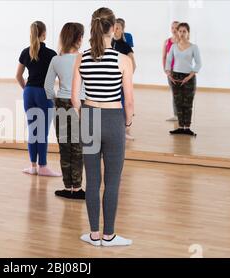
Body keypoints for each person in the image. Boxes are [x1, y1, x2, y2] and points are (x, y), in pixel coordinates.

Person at [71, 7, 134, 247]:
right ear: (113, 27)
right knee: (113, 180)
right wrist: (127, 122)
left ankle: (94, 234)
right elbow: (128, 100)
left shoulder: (82, 57)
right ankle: (109, 236)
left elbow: (75, 99)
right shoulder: (123, 60)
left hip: (89, 116)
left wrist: (85, 114)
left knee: (93, 180)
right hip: (113, 118)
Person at [44, 22, 86, 199]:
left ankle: (68, 187)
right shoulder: (83, 58)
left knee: (64, 147)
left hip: (61, 103)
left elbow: (47, 87)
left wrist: (57, 101)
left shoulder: (56, 59)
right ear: (78, 38)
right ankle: (77, 188)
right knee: (77, 147)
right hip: (79, 104)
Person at [16, 21, 61, 177]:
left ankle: (33, 166)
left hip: (29, 93)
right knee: (42, 133)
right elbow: (59, 77)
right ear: (44, 34)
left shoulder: (25, 52)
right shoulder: (51, 54)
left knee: (33, 131)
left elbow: (18, 76)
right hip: (44, 94)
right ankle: (43, 166)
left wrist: (27, 89)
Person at [165, 23, 201, 136]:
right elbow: (168, 60)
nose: (181, 33)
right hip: (176, 77)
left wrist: (189, 76)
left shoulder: (194, 47)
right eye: (180, 31)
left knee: (188, 103)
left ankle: (187, 127)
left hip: (189, 78)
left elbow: (199, 64)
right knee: (178, 102)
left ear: (188, 33)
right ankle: (180, 127)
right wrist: (168, 73)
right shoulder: (174, 46)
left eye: (184, 31)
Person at [112, 18, 136, 141]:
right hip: (110, 83)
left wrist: (125, 80)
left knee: (123, 104)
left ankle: (124, 129)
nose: (115, 30)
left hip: (121, 83)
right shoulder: (108, 43)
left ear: (122, 30)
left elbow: (133, 65)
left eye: (118, 28)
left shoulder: (125, 46)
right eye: (114, 28)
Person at [163, 21, 180, 122]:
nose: (174, 30)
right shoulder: (167, 42)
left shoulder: (182, 42)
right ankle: (176, 115)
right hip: (171, 71)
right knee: (174, 93)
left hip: (181, 70)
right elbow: (164, 56)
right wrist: (166, 70)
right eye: (172, 27)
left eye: (176, 28)